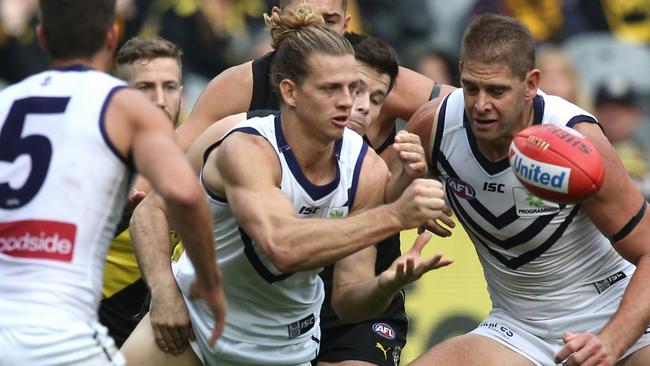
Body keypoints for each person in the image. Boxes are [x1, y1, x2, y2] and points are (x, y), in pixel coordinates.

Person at [121, 4, 451, 366]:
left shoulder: (366, 169)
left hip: (282, 351)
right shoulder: (242, 144)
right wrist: (164, 291)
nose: (348, 102)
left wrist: (386, 284)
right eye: (330, 89)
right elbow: (279, 246)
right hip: (194, 332)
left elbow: (348, 301)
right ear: (290, 92)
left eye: (355, 89)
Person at [403, 14, 650, 366]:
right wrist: (406, 190)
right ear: (460, 72)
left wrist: (609, 342)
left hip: (616, 317)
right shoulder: (434, 125)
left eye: (497, 91)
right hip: (519, 330)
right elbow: (381, 80)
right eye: (471, 87)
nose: (481, 104)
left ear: (531, 84)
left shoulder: (581, 145)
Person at [0, 1, 225, 365]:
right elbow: (184, 196)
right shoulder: (123, 106)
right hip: (62, 333)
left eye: (170, 86)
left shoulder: (6, 103)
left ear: (41, 37)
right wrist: (211, 285)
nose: (159, 98)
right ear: (111, 36)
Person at [99, 35, 184, 347]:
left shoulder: (205, 160)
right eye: (145, 87)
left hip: (175, 340)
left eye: (170, 86)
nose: (160, 99)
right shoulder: (89, 164)